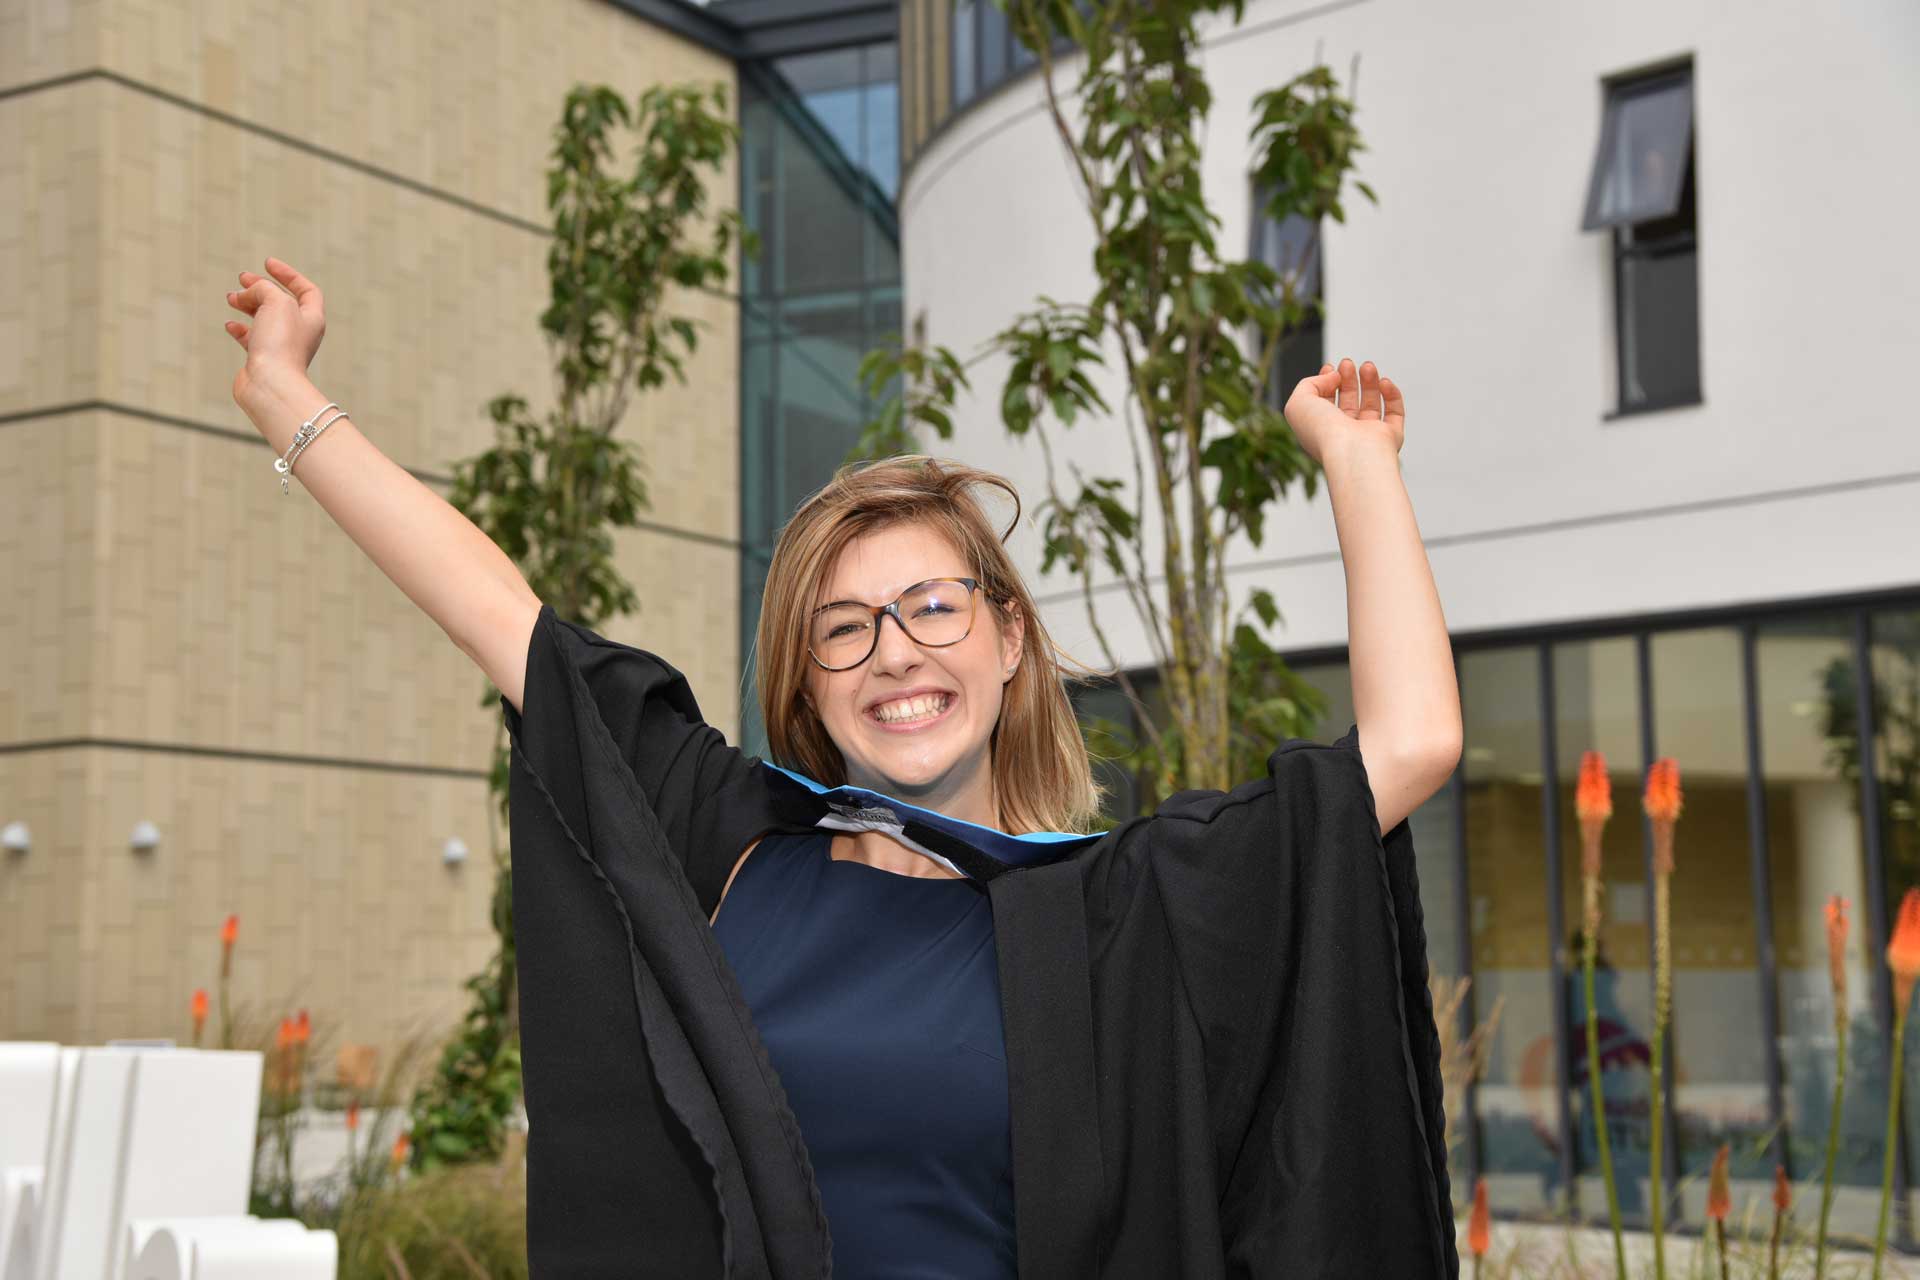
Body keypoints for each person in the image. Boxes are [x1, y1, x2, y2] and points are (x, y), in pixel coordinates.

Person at [225, 257, 1463, 1276]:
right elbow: (506, 617)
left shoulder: (1117, 908)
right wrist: (286, 396)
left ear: (1008, 634)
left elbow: (1408, 744)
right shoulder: (730, 840)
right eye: (844, 626)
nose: (895, 653)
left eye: (933, 605)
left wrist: (1358, 463)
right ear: (808, 681)